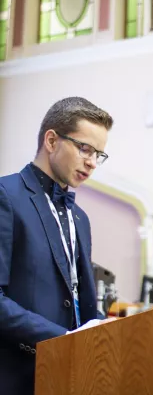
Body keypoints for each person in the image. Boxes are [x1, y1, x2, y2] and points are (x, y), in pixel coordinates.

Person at [0, 97, 116, 395]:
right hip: (18, 375)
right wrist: (61, 337)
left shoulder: (80, 218)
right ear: (51, 140)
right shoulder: (6, 196)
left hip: (73, 375)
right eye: (85, 148)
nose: (91, 162)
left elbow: (80, 299)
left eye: (99, 154)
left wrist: (109, 330)